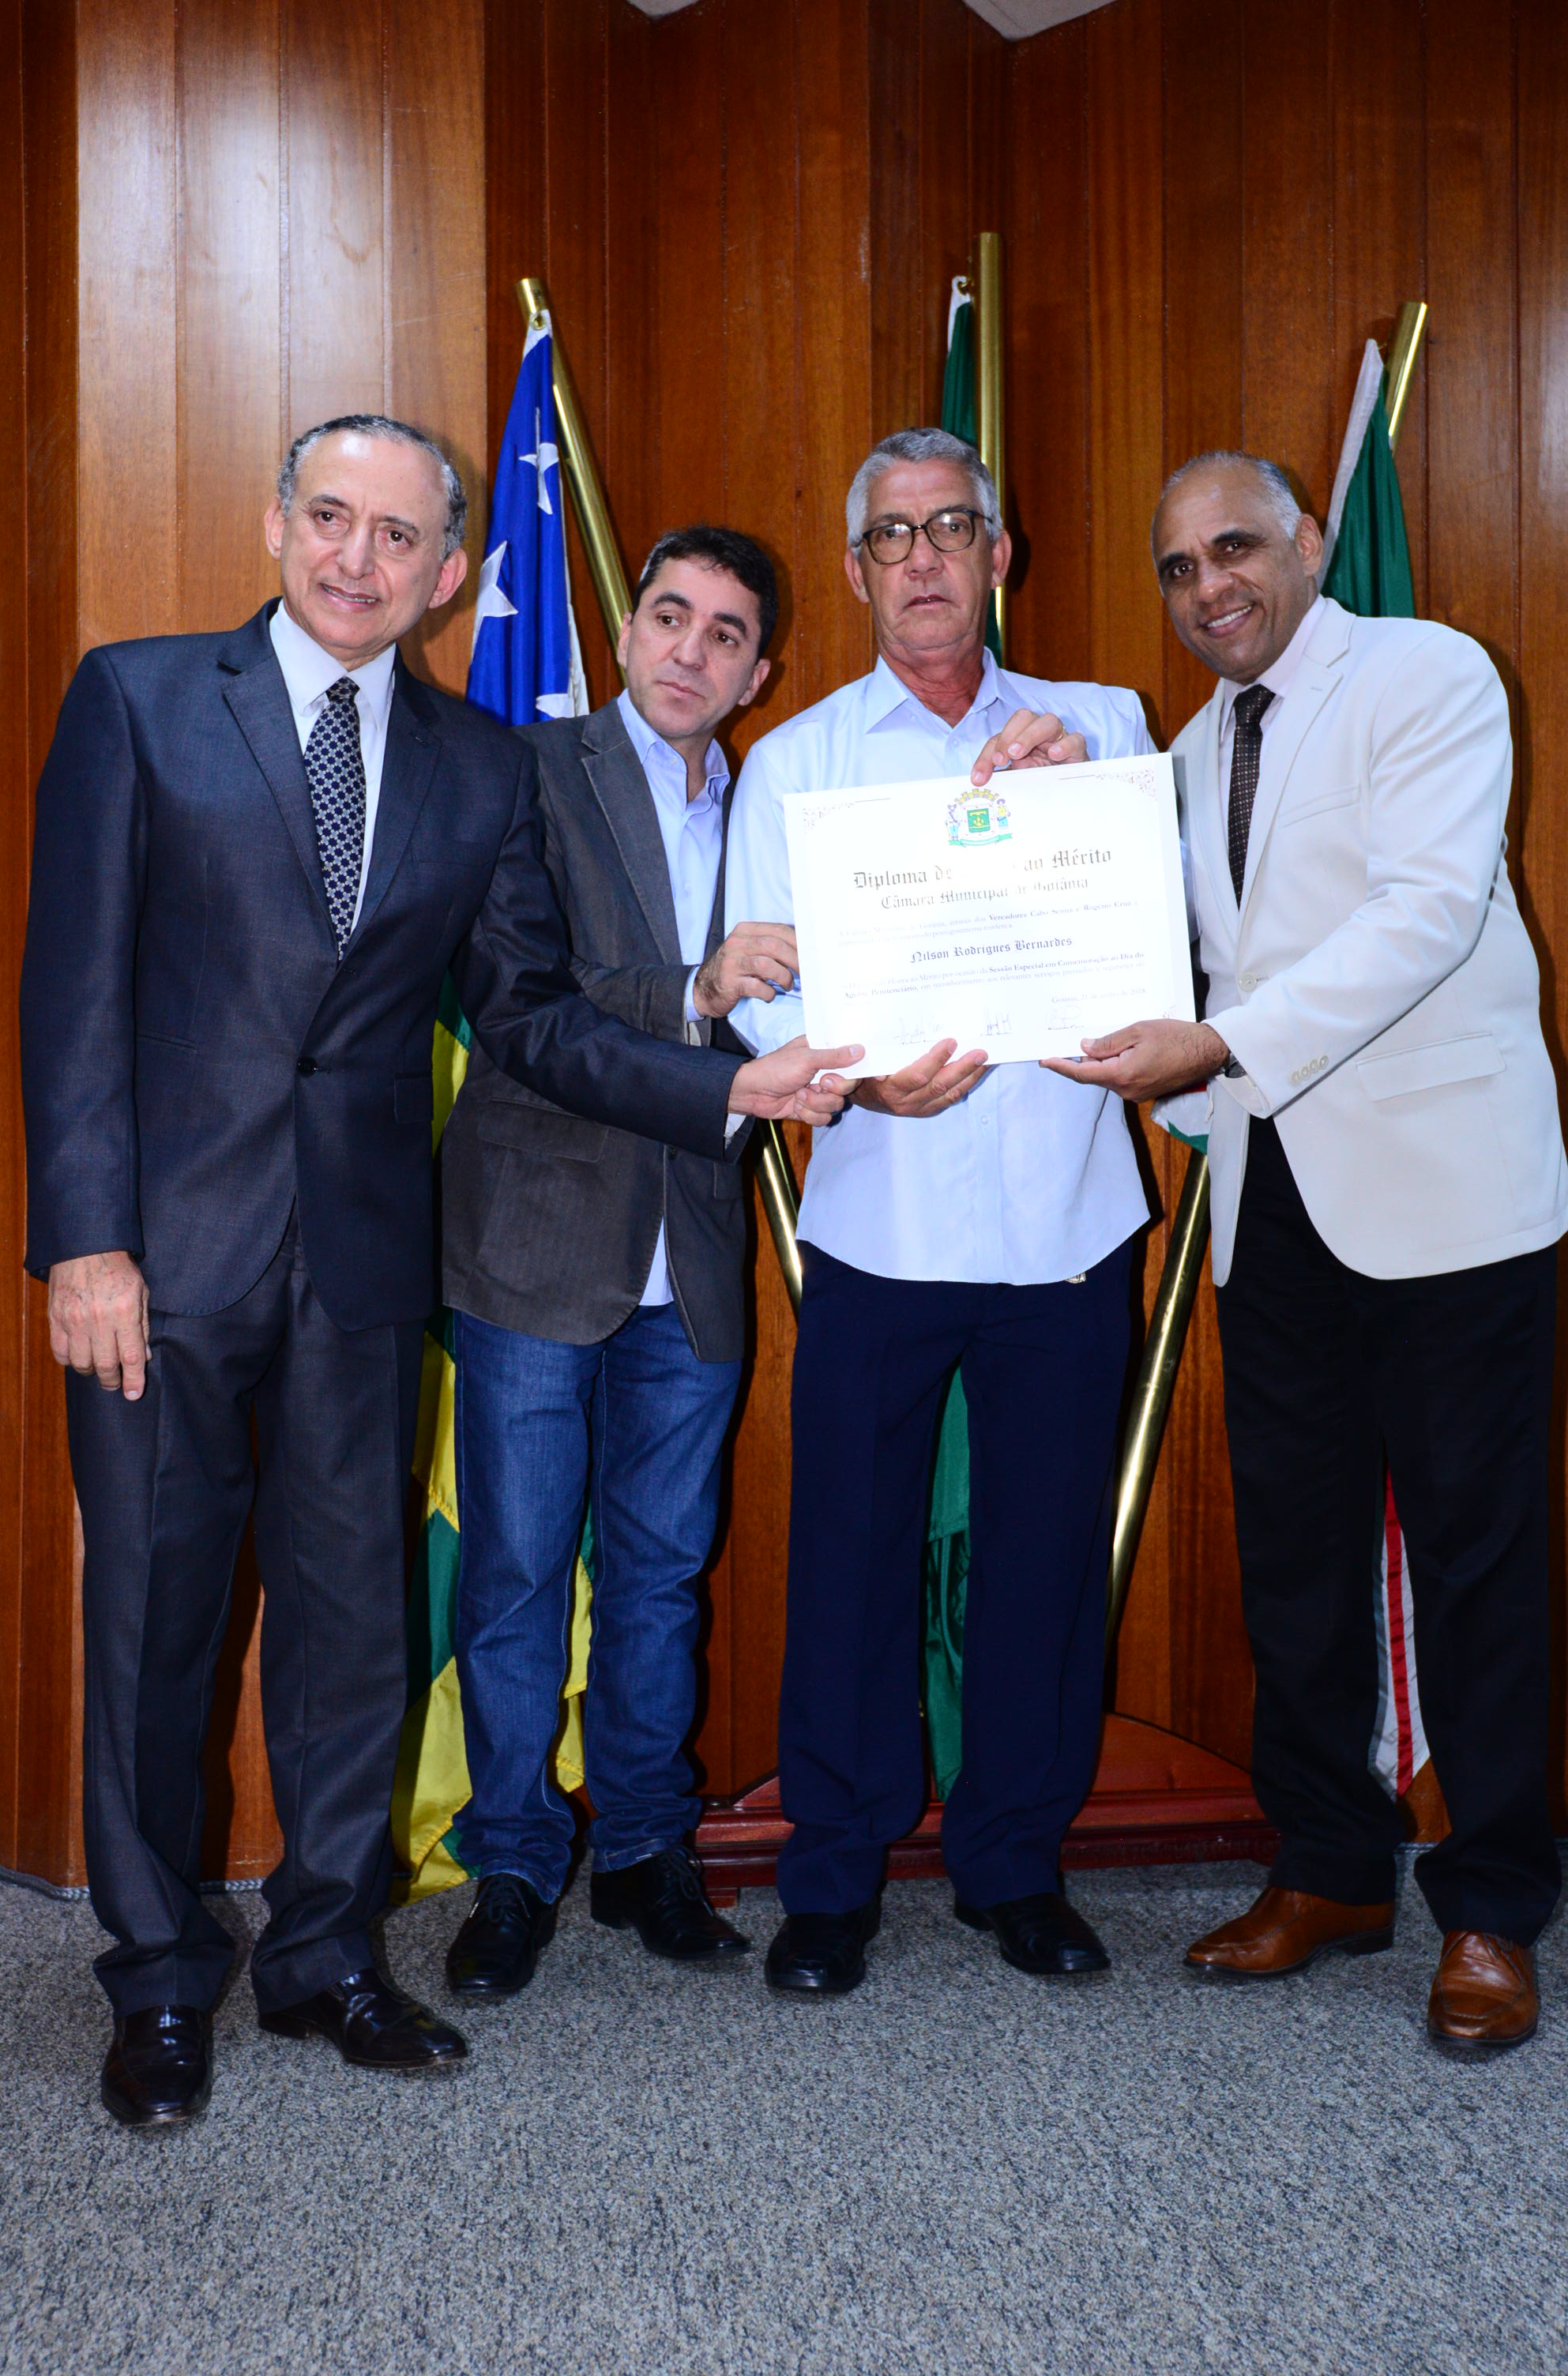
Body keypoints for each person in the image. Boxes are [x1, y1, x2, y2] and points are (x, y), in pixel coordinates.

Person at [20, 415, 852, 2127]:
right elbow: (70, 987)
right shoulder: (139, 698)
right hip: (160, 1264)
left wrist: (723, 1088)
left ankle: (326, 1954)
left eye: (398, 537)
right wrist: (84, 1238)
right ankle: (160, 1975)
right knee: (156, 1625)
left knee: (351, 1625)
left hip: (365, 1267)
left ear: (449, 574)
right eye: (331, 517)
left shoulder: (479, 767)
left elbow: (529, 1015)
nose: (358, 557)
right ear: (276, 524)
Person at [1046, 449, 1566, 2055]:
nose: (1208, 587)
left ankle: (1489, 1905)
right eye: (1177, 567)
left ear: (1308, 541)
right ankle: (1331, 1866)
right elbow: (1161, 955)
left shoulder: (1426, 675)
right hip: (1270, 1203)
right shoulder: (1188, 753)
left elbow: (1424, 916)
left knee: (1476, 1563)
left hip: (1447, 1200)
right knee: (1295, 1562)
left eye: (1235, 548)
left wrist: (1211, 1046)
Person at [723, 425, 1153, 1997]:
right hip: (879, 1220)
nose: (922, 559)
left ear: (996, 554)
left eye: (951, 527)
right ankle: (832, 1875)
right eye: (892, 536)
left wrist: (1088, 794)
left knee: (1044, 1558)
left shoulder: (1099, 725)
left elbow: (1161, 927)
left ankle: (1013, 1864)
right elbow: (756, 994)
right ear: (856, 572)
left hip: (1065, 1222)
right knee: (850, 1553)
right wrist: (852, 1079)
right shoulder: (799, 763)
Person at [439, 526, 800, 1995]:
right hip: (536, 1242)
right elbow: (518, 1003)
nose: (690, 652)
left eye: (726, 635)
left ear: (758, 672)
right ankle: (515, 1860)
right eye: (670, 616)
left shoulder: (780, 805)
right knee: (518, 1575)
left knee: (661, 1577)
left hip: (695, 1252)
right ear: (627, 625)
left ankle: (647, 1849)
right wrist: (695, 992)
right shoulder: (525, 771)